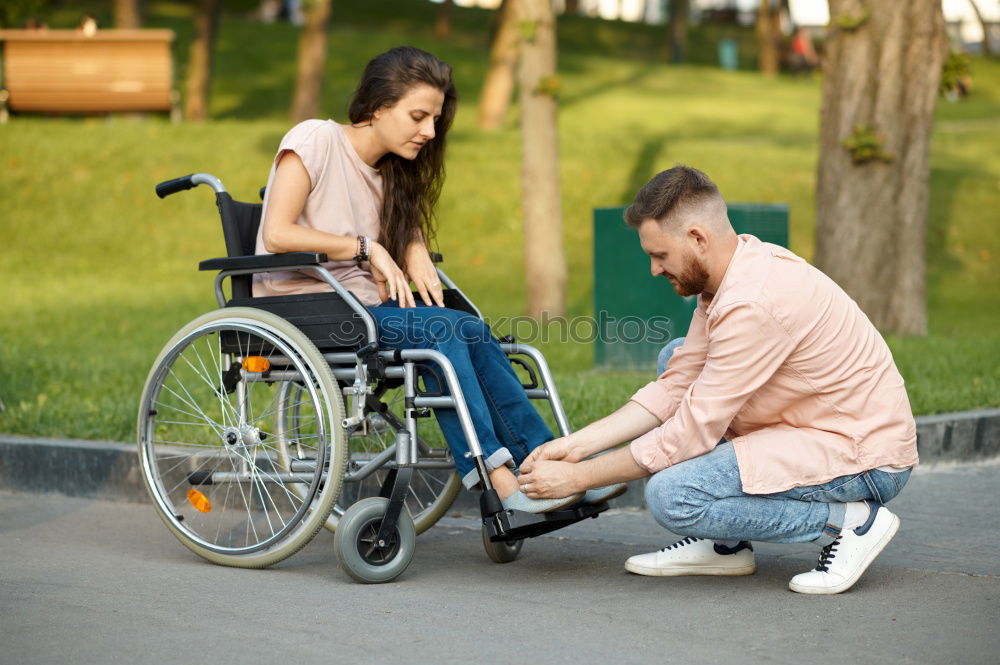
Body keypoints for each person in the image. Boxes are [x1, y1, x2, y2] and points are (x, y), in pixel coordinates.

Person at [518, 165, 918, 594]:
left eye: (659, 255)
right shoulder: (732, 271)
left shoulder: (753, 303)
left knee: (672, 497)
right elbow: (677, 384)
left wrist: (578, 479)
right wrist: (574, 446)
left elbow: (688, 433)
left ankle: (852, 522)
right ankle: (727, 545)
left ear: (697, 238)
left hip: (864, 454)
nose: (654, 269)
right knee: (675, 355)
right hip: (810, 427)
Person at [254, 46, 608, 513]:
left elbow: (400, 229)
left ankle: (548, 466)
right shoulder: (316, 139)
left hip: (363, 309)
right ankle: (498, 479)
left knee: (471, 328)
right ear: (378, 107)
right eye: (418, 116)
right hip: (308, 306)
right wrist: (368, 247)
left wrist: (414, 245)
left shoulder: (391, 172)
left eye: (435, 119)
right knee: (441, 331)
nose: (430, 131)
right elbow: (278, 232)